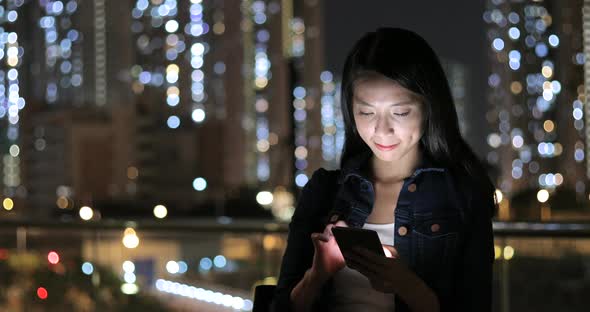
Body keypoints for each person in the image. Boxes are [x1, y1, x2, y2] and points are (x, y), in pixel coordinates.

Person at [270, 27, 496, 312]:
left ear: (429, 107)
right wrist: (317, 275)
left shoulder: (463, 195)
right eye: (366, 112)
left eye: (400, 112)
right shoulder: (325, 192)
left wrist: (409, 287)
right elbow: (281, 307)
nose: (381, 130)